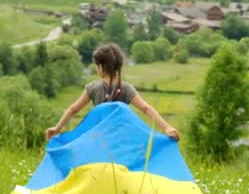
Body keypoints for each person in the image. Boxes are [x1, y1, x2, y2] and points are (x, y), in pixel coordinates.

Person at [46, 44, 180, 141]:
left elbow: (73, 109)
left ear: (100, 67)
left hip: (98, 138)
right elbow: (146, 108)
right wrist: (166, 127)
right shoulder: (126, 89)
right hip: (121, 139)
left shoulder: (92, 87)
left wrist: (57, 128)